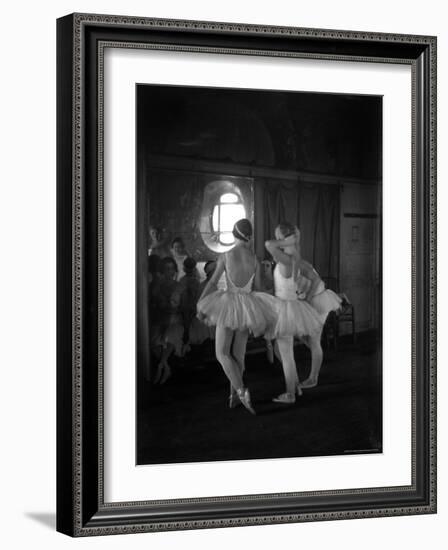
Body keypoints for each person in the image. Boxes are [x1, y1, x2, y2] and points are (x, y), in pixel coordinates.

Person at [197, 219, 277, 415]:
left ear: (234, 234)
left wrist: (201, 301)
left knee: (222, 354)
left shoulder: (226, 255)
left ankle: (241, 392)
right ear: (249, 237)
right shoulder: (254, 258)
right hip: (246, 307)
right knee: (238, 354)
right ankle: (234, 396)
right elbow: (258, 288)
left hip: (228, 305)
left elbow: (214, 282)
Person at [265, 223, 324, 404]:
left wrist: (285, 241)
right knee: (284, 351)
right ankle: (295, 386)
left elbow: (268, 244)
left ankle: (290, 393)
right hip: (290, 305)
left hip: (284, 307)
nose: (277, 240)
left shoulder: (285, 258)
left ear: (285, 237)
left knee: (286, 353)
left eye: (279, 236)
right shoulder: (295, 256)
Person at [150, 257, 184, 385]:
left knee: (170, 336)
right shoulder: (157, 287)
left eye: (171, 269)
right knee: (154, 340)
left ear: (175, 270)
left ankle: (161, 366)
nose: (169, 271)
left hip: (175, 319)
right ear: (162, 271)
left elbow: (182, 307)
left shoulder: (179, 286)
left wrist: (173, 308)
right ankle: (166, 366)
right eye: (166, 269)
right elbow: (156, 306)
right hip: (161, 319)